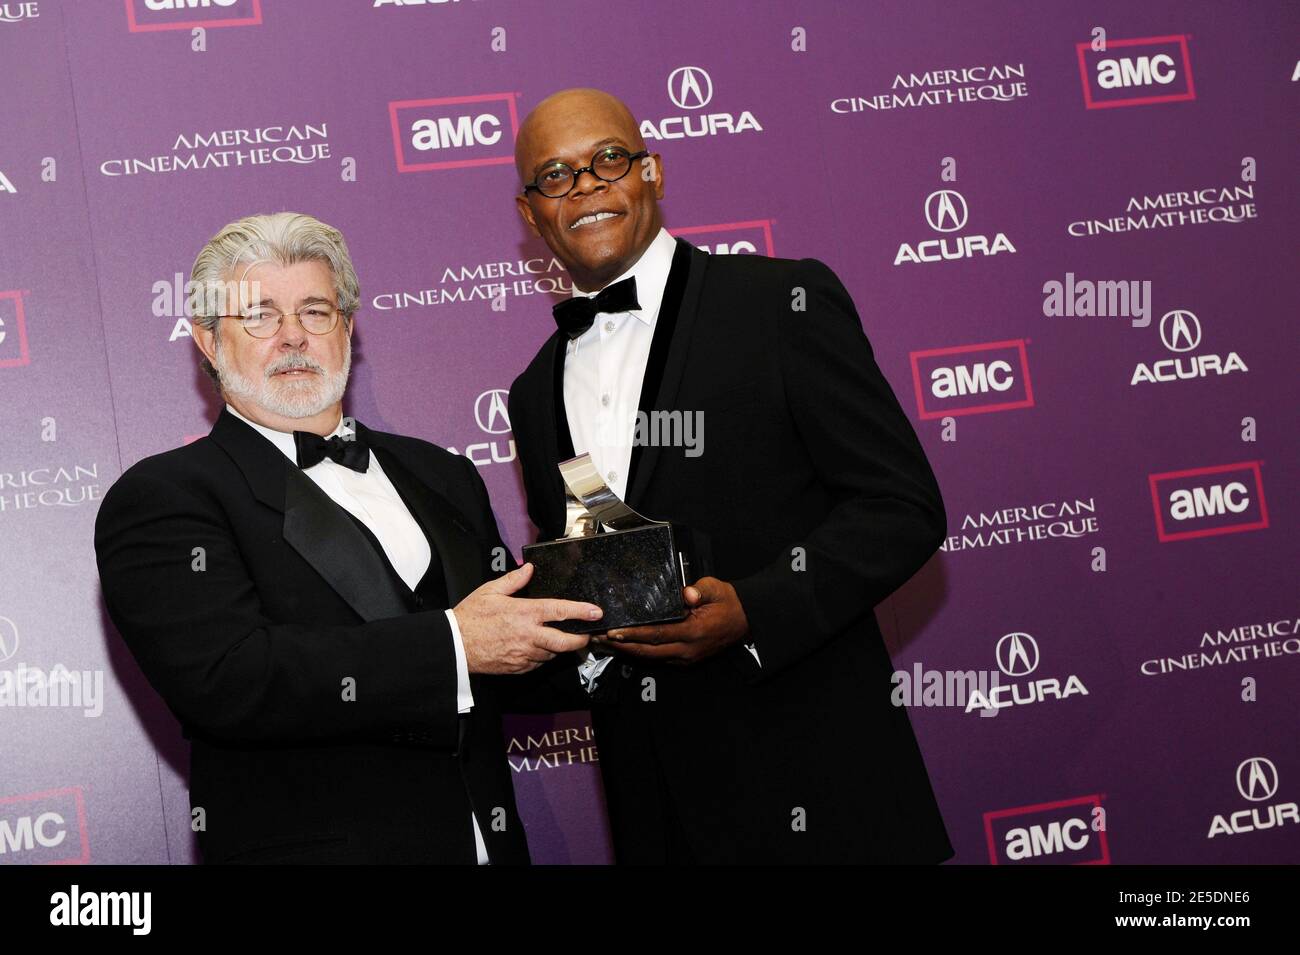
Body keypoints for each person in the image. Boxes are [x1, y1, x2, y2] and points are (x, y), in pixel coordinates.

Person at [508, 89, 953, 863]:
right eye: (554, 176)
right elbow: (592, 549)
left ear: (652, 171)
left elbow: (901, 506)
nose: (584, 187)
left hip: (821, 788)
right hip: (659, 811)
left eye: (607, 160)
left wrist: (754, 606)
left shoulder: (780, 304)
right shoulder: (532, 391)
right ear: (531, 213)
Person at [94, 212, 601, 864]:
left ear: (348, 328)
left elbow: (503, 665)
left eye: (315, 310)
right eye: (259, 316)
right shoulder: (166, 497)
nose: (293, 337)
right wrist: (453, 642)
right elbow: (231, 680)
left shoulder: (440, 472)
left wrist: (606, 633)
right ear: (209, 342)